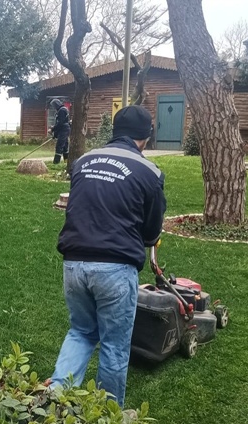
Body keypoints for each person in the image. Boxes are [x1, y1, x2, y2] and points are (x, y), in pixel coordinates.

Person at [51, 105, 166, 407]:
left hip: (74, 263)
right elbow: (152, 231)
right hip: (115, 269)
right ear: (146, 137)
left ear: (115, 131)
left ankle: (55, 399)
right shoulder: (150, 172)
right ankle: (106, 417)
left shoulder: (83, 161)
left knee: (81, 331)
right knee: (114, 345)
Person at [49, 98, 71, 164]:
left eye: (53, 106)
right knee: (65, 146)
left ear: (56, 105)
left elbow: (60, 123)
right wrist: (55, 134)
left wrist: (52, 129)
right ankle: (66, 161)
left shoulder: (61, 111)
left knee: (59, 146)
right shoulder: (64, 109)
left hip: (63, 130)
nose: (53, 107)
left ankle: (56, 162)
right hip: (65, 129)